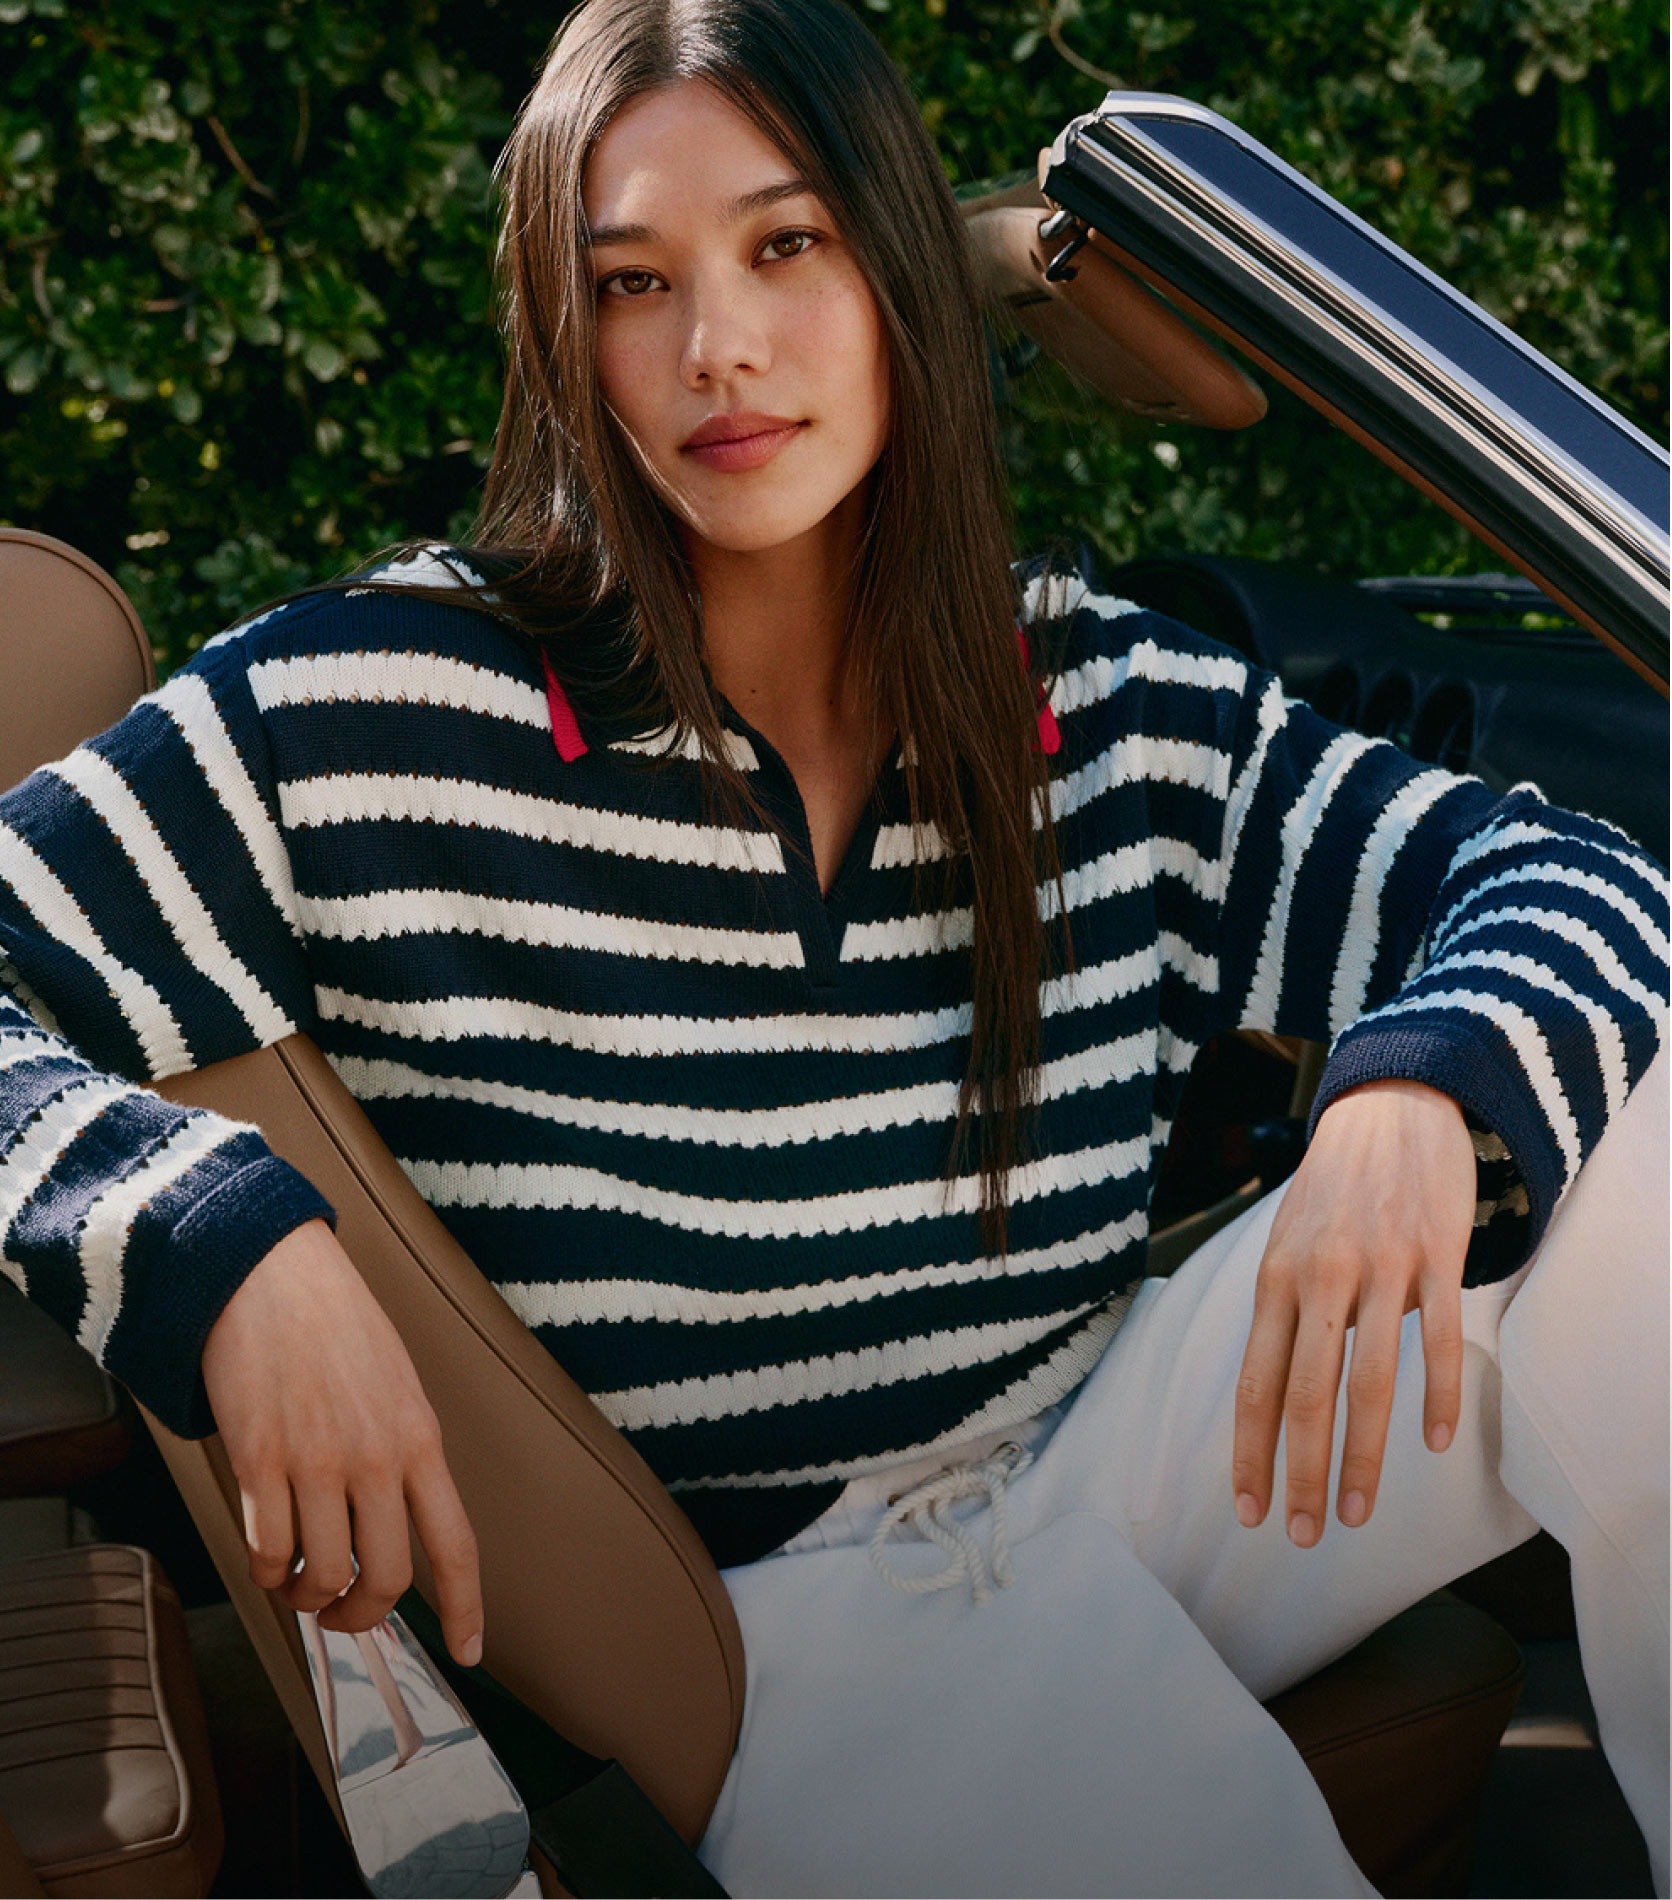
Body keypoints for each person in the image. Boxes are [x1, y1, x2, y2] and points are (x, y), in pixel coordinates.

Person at [0, 0, 1665, 1890]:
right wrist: (227, 1239)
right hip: (774, 1642)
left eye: (786, 245)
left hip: (1124, 1468)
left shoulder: (1087, 696)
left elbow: (1576, 876)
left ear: (894, 277)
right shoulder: (370, 707)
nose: (720, 347)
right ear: (570, 342)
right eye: (634, 283)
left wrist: (1414, 1100)